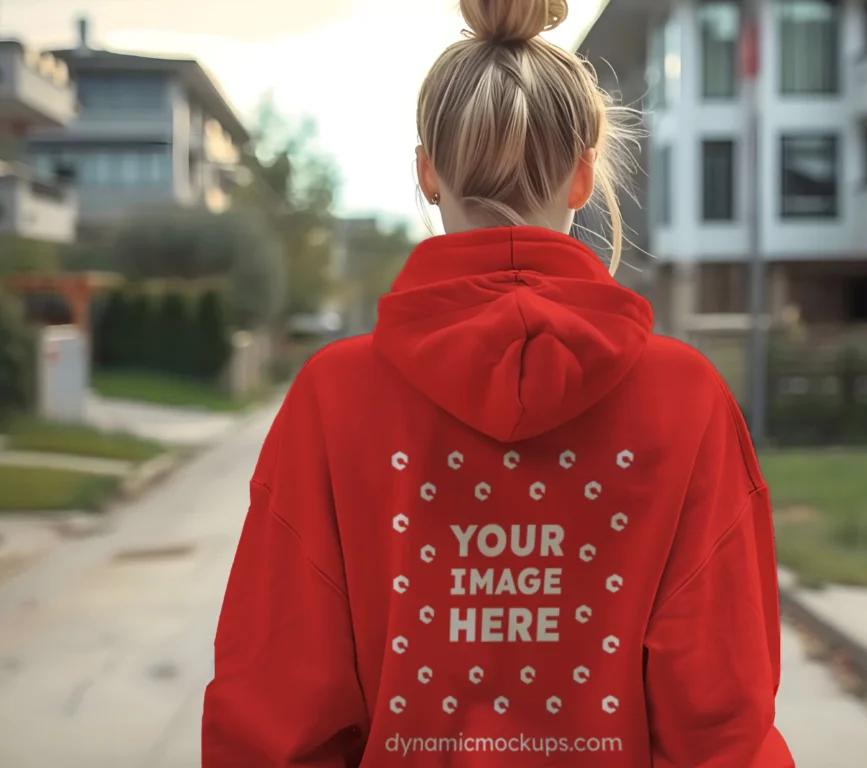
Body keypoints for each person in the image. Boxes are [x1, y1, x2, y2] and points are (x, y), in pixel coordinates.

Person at [201, 0, 795, 765]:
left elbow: (272, 712)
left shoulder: (332, 398)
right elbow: (723, 724)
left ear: (427, 172)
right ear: (584, 176)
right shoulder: (686, 399)